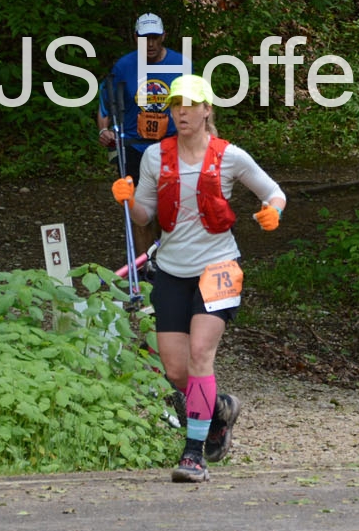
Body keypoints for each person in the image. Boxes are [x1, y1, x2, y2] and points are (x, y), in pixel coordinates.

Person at [112, 74, 286, 484]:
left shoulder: (230, 156)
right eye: (176, 105)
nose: (182, 112)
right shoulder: (155, 157)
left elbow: (274, 192)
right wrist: (128, 199)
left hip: (219, 267)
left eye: (190, 104)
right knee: (175, 369)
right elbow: (145, 216)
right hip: (171, 269)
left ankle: (193, 455)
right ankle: (220, 409)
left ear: (207, 110)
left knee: (200, 354)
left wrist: (274, 212)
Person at [98, 13, 183, 251]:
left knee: (169, 210)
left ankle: (166, 261)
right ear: (136, 38)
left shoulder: (181, 64)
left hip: (171, 146)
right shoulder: (123, 67)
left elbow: (197, 103)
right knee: (138, 209)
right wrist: (104, 130)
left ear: (164, 36)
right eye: (145, 38)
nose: (151, 43)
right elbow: (106, 103)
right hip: (134, 146)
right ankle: (144, 265)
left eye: (155, 37)